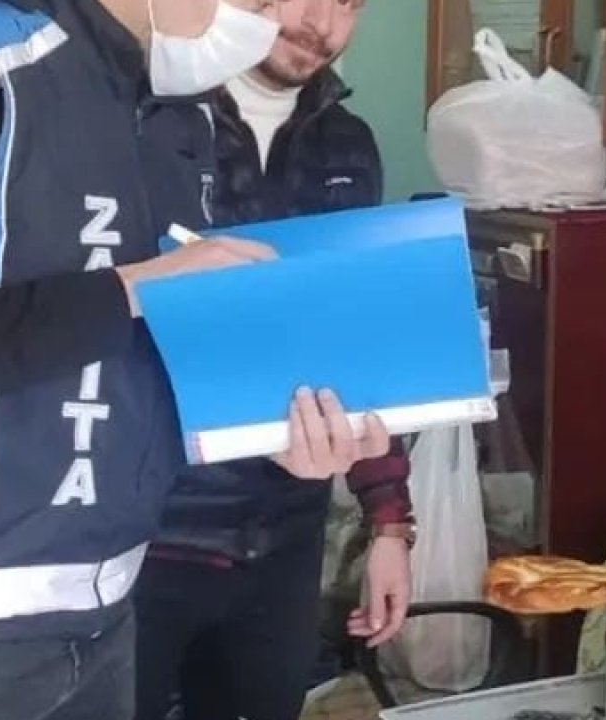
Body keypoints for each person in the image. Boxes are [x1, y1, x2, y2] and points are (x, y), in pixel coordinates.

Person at [0, 1, 391, 718]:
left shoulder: (172, 112)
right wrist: (129, 291)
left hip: (109, 602)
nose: (265, 18)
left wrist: (265, 436)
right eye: (258, 1)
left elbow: (149, 358)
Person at [132, 2, 412, 719]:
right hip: (147, 540)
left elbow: (356, 340)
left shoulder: (348, 145)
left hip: (284, 543)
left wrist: (388, 525)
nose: (323, 23)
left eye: (350, 2)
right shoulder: (141, 116)